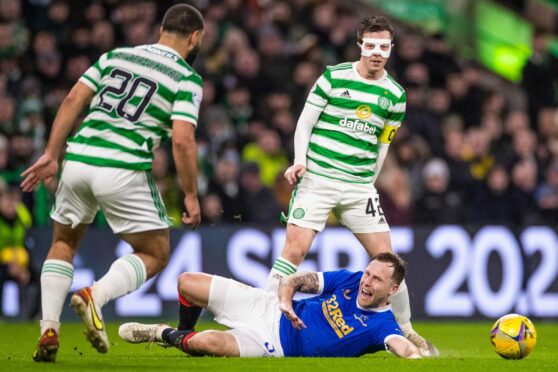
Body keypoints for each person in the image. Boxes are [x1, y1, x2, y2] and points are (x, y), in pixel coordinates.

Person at [21, 4, 205, 362]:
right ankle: (96, 297)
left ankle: (49, 328)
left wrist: (51, 153)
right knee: (155, 252)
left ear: (161, 29)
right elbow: (182, 139)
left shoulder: (115, 56)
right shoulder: (186, 77)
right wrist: (191, 194)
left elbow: (74, 98)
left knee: (62, 242)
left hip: (78, 159)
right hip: (122, 167)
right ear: (195, 37)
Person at [265, 16, 438, 356]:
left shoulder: (395, 95)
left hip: (359, 187)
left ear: (391, 49)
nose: (376, 53)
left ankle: (406, 329)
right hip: (318, 178)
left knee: (388, 260)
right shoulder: (333, 78)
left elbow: (383, 145)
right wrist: (300, 160)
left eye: (383, 46)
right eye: (370, 45)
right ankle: (267, 314)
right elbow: (305, 123)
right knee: (295, 249)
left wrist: (369, 184)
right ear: (360, 44)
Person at [119, 252, 424, 358]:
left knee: (206, 343)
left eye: (376, 280)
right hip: (265, 307)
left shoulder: (383, 325)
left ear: (393, 289)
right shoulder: (348, 279)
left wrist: (416, 358)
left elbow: (402, 346)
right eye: (368, 273)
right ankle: (183, 332)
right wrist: (285, 301)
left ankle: (163, 334)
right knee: (186, 281)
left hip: (271, 344)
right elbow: (294, 280)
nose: (366, 282)